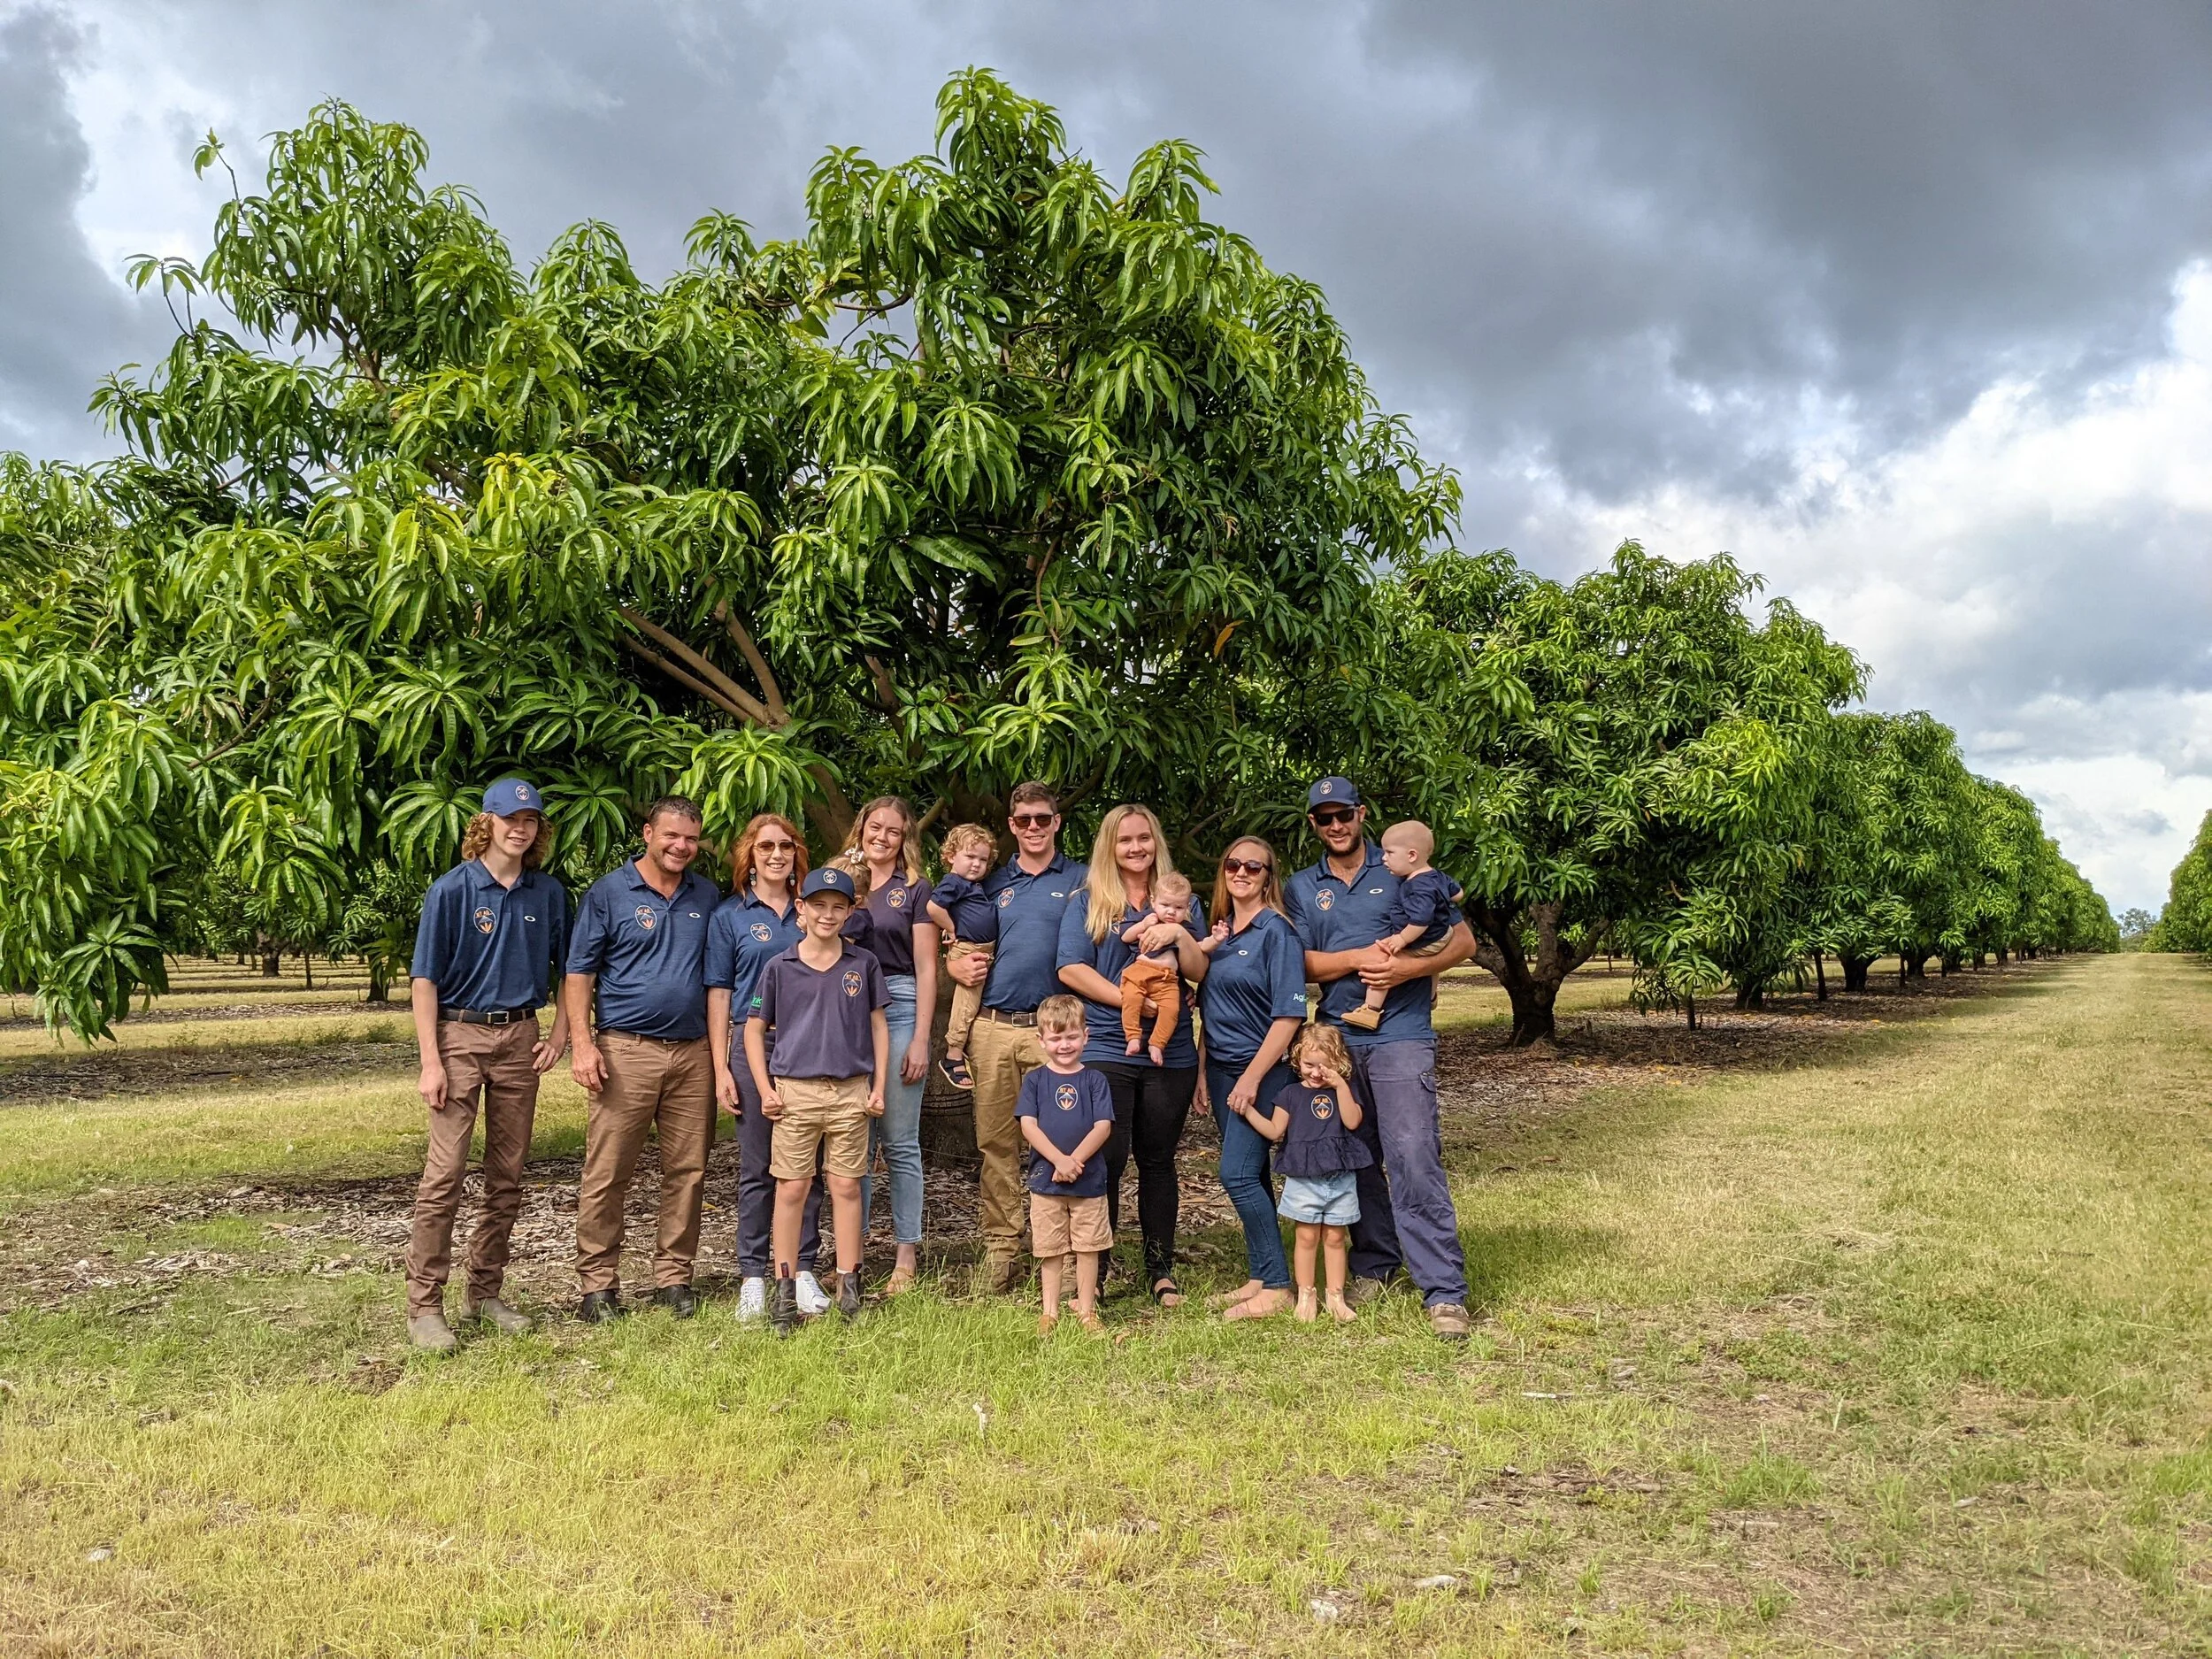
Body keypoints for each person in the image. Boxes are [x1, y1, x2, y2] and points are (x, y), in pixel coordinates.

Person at [1285, 777, 1478, 1342]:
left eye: (1343, 814)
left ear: (1361, 814)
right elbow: (1301, 964)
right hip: (1339, 1039)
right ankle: (1375, 1261)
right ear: (1315, 825)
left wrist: (1405, 970)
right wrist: (1355, 959)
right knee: (1355, 1153)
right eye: (1324, 818)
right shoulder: (1302, 886)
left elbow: (1461, 944)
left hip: (1401, 1034)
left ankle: (1443, 1290)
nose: (1336, 825)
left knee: (1413, 1152)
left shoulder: (1402, 868)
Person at [403, 778, 572, 1351]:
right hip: (459, 1034)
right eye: (510, 818)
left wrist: (562, 1033)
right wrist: (432, 1060)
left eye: (530, 820)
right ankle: (425, 1305)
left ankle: (485, 1292)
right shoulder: (451, 890)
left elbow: (570, 973)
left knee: (508, 1174)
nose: (520, 828)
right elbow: (424, 981)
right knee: (444, 1175)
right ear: (487, 822)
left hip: (520, 1035)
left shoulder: (547, 893)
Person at [563, 795, 719, 1323]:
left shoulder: (708, 895)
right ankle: (598, 1286)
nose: (681, 846)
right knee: (608, 1170)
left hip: (693, 1053)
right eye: (671, 835)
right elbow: (579, 973)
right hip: (625, 1050)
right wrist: (582, 1044)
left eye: (691, 838)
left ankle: (673, 1278)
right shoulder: (609, 892)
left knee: (688, 1170)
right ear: (648, 832)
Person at [1056, 804, 1208, 1307]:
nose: (1136, 847)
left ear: (1156, 842)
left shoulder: (1182, 900)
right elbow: (1071, 969)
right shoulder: (1088, 901)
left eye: (1144, 838)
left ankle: (1160, 1269)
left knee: (1159, 1161)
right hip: (1105, 1044)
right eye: (1125, 840)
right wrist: (1131, 1002)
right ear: (1110, 847)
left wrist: (1182, 933)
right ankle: (1094, 1275)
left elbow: (1200, 972)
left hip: (1172, 1051)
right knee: (1108, 1160)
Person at [943, 782, 1087, 1294]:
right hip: (994, 1029)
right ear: (1011, 824)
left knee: (1064, 1140)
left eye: (1042, 819)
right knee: (997, 1144)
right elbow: (960, 938)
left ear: (1056, 822)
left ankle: (1066, 1254)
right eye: (1023, 819)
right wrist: (951, 962)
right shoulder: (991, 881)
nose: (1032, 827)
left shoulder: (1080, 880)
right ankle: (1003, 1251)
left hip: (1055, 1031)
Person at [744, 865, 889, 1334]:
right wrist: (766, 1089)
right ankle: (784, 1291)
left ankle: (850, 1287)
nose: (828, 915)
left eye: (838, 906)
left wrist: (879, 1085)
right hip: (795, 1093)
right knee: (791, 1188)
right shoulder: (780, 966)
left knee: (846, 1187)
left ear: (850, 912)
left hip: (850, 1091)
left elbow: (878, 1027)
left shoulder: (862, 964)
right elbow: (752, 1028)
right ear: (800, 908)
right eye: (818, 905)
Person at [705, 813, 829, 1324]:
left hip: (809, 1049)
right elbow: (719, 993)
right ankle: (753, 1275)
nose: (776, 854)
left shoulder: (813, 911)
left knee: (809, 1169)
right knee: (758, 1168)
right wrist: (721, 1067)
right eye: (765, 847)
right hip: (751, 1047)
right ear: (748, 856)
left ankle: (802, 1270)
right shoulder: (730, 917)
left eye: (786, 846)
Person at [1193, 836, 1308, 1321]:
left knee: (1235, 1174)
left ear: (1268, 877)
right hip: (1218, 1070)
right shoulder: (1221, 935)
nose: (1241, 873)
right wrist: (1202, 1072)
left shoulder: (1276, 933)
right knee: (1253, 1172)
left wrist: (1251, 1079)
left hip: (1259, 1072)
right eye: (1233, 863)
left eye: (1253, 868)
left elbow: (1288, 1018)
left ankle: (1280, 1287)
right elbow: (1211, 1009)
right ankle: (1261, 1274)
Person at [834, 796, 938, 1294]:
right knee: (852, 1141)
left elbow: (927, 967)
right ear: (861, 829)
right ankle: (851, 1251)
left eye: (893, 832)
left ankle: (905, 1252)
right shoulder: (837, 878)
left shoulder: (915, 889)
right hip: (845, 1008)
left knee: (898, 1140)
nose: (881, 837)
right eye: (874, 827)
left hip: (898, 1003)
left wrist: (921, 1037)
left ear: (905, 840)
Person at [1223, 1021, 1371, 1324]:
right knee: (1306, 1238)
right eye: (1309, 1064)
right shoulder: (1290, 1094)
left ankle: (1336, 1298)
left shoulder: (1342, 1089)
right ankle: (1305, 1295)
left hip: (1339, 1177)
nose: (1316, 1072)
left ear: (1338, 1063)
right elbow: (1275, 1131)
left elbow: (1354, 1121)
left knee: (1335, 1238)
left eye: (1325, 1066)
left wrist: (1340, 1085)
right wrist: (1248, 1111)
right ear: (1297, 1060)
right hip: (1304, 1179)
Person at [1017, 995, 1116, 1334]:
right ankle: (1050, 1311)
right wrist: (1058, 1160)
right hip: (1047, 1180)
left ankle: (1087, 1310)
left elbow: (1103, 1126)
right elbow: (1028, 1125)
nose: (1064, 1045)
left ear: (1085, 1036)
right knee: (1052, 1248)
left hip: (1088, 1181)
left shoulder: (1095, 1080)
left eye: (1072, 1037)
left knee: (1088, 1247)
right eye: (1056, 1038)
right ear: (1041, 1040)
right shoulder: (1035, 1081)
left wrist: (1075, 1161)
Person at [1344, 820, 1457, 1031]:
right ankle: (1430, 996)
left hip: (1427, 937)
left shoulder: (1419, 886)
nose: (1383, 858)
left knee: (1384, 961)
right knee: (1430, 963)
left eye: (1389, 853)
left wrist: (1402, 939)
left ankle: (1370, 1010)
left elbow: (1420, 921)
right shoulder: (1437, 875)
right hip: (1442, 934)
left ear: (1412, 856)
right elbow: (1458, 893)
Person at [927, 822, 1000, 1092]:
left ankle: (964, 1047)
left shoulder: (974, 886)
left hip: (984, 949)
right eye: (970, 857)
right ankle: (953, 1054)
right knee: (967, 1004)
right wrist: (951, 928)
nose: (976, 865)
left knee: (976, 1004)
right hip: (970, 950)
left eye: (982, 860)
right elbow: (934, 907)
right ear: (950, 856)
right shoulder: (954, 882)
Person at [1118, 870, 1194, 1064]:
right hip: (1141, 971)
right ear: (1153, 902)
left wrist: (1215, 940)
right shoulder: (1147, 919)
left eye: (1178, 907)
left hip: (1167, 979)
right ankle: (1133, 1037)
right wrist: (1143, 925)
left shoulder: (1184, 929)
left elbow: (1199, 950)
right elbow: (1125, 937)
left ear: (1187, 907)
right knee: (1131, 998)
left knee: (1171, 1010)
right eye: (1165, 905)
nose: (1171, 911)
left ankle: (1157, 1044)